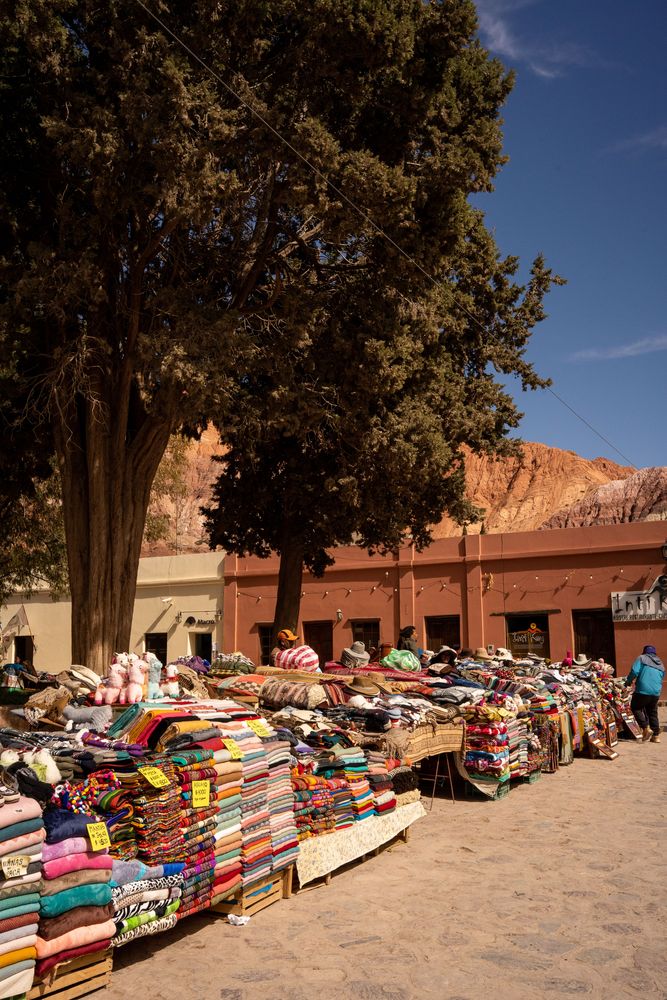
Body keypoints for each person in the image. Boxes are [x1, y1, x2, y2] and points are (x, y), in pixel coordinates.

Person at [625, 644, 664, 743]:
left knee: (635, 707)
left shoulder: (641, 658)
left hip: (643, 690)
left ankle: (645, 727)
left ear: (644, 652)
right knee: (652, 712)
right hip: (656, 691)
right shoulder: (660, 663)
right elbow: (662, 675)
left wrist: (628, 681)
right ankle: (656, 736)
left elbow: (634, 671)